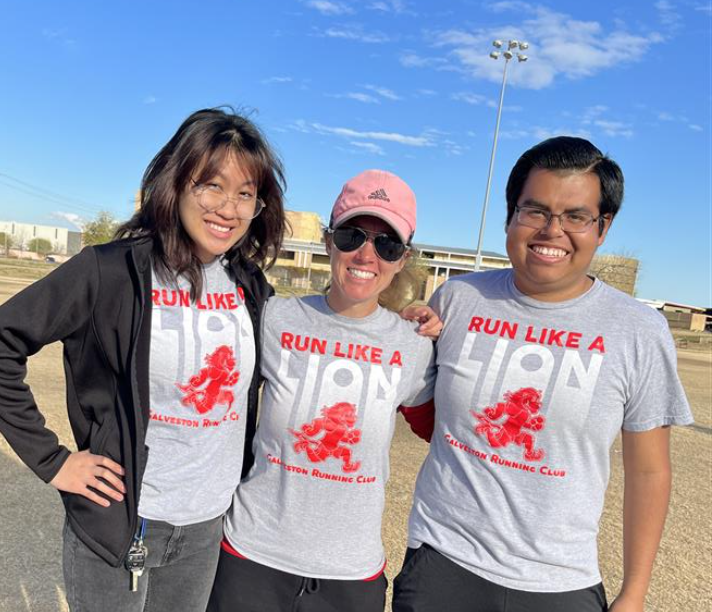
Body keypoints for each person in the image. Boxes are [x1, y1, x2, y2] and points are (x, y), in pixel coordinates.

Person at [0, 107, 287, 612]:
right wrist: (53, 462)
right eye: (211, 185)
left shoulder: (250, 288)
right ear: (175, 183)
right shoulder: (110, 272)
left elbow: (310, 345)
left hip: (205, 528)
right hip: (123, 521)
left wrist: (412, 322)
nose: (228, 207)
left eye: (246, 193)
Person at [392, 136, 694, 612]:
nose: (552, 230)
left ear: (603, 226)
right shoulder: (457, 299)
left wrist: (634, 593)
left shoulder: (638, 330)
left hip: (560, 581)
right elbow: (417, 401)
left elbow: (649, 470)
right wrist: (400, 324)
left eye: (575, 216)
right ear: (510, 216)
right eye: (534, 211)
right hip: (443, 563)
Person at [207, 169, 438, 612]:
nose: (366, 254)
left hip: (350, 574)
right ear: (330, 240)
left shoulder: (413, 345)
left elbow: (450, 433)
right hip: (252, 557)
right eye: (353, 235)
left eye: (386, 243)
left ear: (402, 258)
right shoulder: (274, 318)